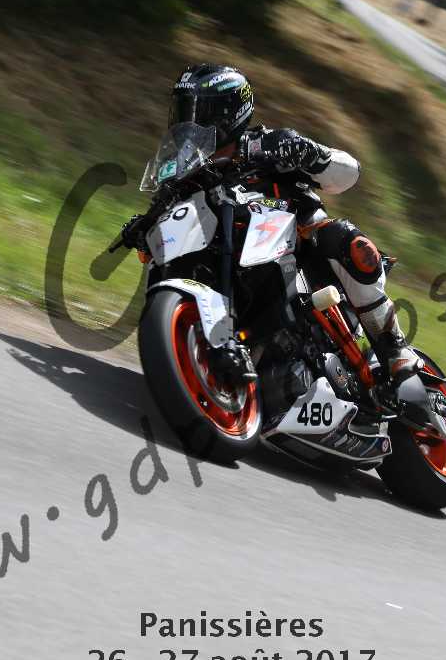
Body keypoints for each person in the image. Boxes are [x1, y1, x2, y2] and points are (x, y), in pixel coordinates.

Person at [152, 63, 427, 405]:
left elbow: (349, 174)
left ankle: (395, 349)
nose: (186, 121)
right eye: (182, 110)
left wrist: (309, 153)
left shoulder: (269, 144)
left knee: (342, 238)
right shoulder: (187, 171)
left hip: (299, 252)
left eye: (197, 111)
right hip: (231, 256)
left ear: (226, 113)